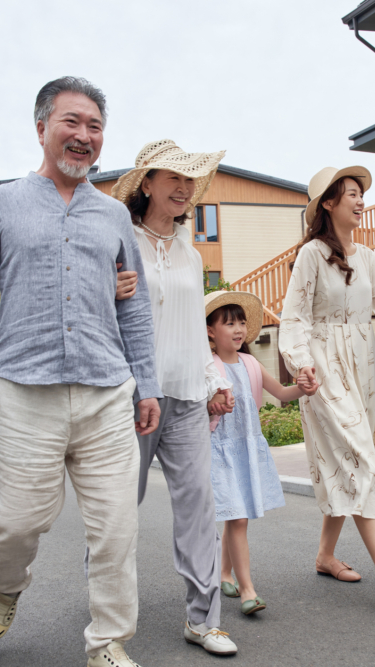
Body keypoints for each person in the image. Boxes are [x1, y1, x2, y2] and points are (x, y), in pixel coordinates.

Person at [0, 77, 160, 667]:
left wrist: (147, 385)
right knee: (12, 526)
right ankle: (8, 584)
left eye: (95, 126)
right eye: (71, 122)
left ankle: (108, 643)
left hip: (106, 393)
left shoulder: (114, 216)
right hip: (23, 394)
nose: (84, 136)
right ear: (42, 128)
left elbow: (134, 311)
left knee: (116, 531)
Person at [278, 166, 375, 605]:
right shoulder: (311, 254)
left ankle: (325, 555)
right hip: (323, 370)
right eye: (351, 193)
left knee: (347, 460)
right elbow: (294, 317)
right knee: (361, 459)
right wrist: (301, 364)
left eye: (361, 193)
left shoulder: (366, 256)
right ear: (329, 203)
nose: (361, 200)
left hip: (363, 367)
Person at [110, 139, 238, 656]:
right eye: (173, 178)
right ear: (147, 184)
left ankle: (204, 619)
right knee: (120, 505)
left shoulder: (191, 250)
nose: (184, 188)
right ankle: (106, 603)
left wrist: (213, 381)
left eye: (190, 180)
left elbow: (190, 326)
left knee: (198, 504)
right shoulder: (121, 240)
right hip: (133, 397)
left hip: (185, 395)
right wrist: (107, 290)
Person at [204, 290, 302, 616]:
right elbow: (197, 409)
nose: (238, 329)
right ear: (210, 331)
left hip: (246, 450)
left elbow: (283, 392)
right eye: (229, 323)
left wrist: (304, 387)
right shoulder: (208, 368)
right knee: (238, 517)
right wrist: (212, 404)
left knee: (238, 515)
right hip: (220, 453)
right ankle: (248, 590)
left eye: (241, 322)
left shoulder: (250, 363)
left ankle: (224, 573)